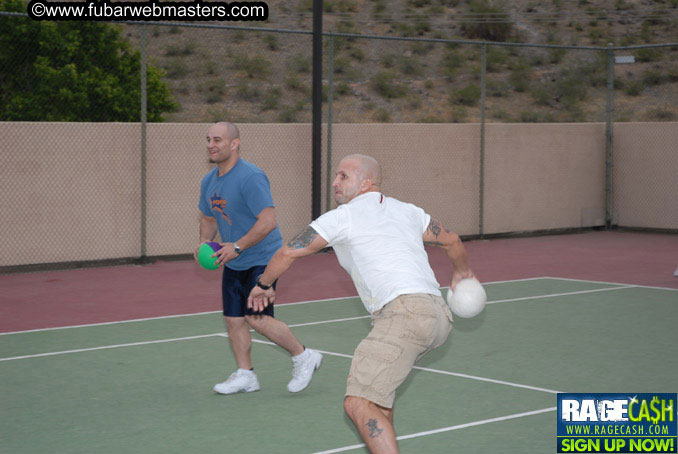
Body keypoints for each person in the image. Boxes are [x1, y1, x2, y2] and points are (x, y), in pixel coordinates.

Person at [248, 154, 476, 453]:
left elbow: (287, 253)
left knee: (358, 402)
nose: (335, 182)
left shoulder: (342, 217)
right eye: (336, 176)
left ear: (366, 183)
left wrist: (263, 285)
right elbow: (453, 240)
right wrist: (462, 272)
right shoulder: (409, 211)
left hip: (403, 315)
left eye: (343, 176)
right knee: (379, 403)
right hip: (437, 317)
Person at [196, 121, 322, 395]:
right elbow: (207, 216)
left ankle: (304, 356)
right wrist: (205, 243)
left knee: (257, 318)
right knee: (233, 319)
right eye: (208, 139)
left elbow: (267, 222)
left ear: (234, 144)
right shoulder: (209, 181)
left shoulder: (250, 177)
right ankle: (246, 375)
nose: (211, 145)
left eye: (217, 139)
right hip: (234, 258)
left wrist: (237, 246)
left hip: (262, 258)